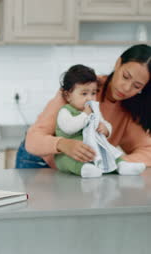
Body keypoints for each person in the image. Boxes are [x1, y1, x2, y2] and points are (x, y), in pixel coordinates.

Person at [16, 44, 151, 169]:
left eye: (137, 86)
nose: (127, 88)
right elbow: (33, 139)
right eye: (125, 76)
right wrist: (63, 144)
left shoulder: (132, 107)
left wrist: (116, 163)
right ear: (118, 64)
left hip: (78, 171)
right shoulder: (83, 88)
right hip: (39, 161)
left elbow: (147, 150)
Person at [53, 64, 145, 178]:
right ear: (68, 95)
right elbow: (69, 127)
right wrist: (85, 115)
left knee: (109, 153)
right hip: (71, 153)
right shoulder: (65, 111)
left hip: (91, 150)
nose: (90, 98)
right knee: (66, 161)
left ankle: (121, 165)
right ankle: (83, 169)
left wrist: (105, 129)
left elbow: (104, 123)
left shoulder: (94, 111)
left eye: (93, 93)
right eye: (84, 94)